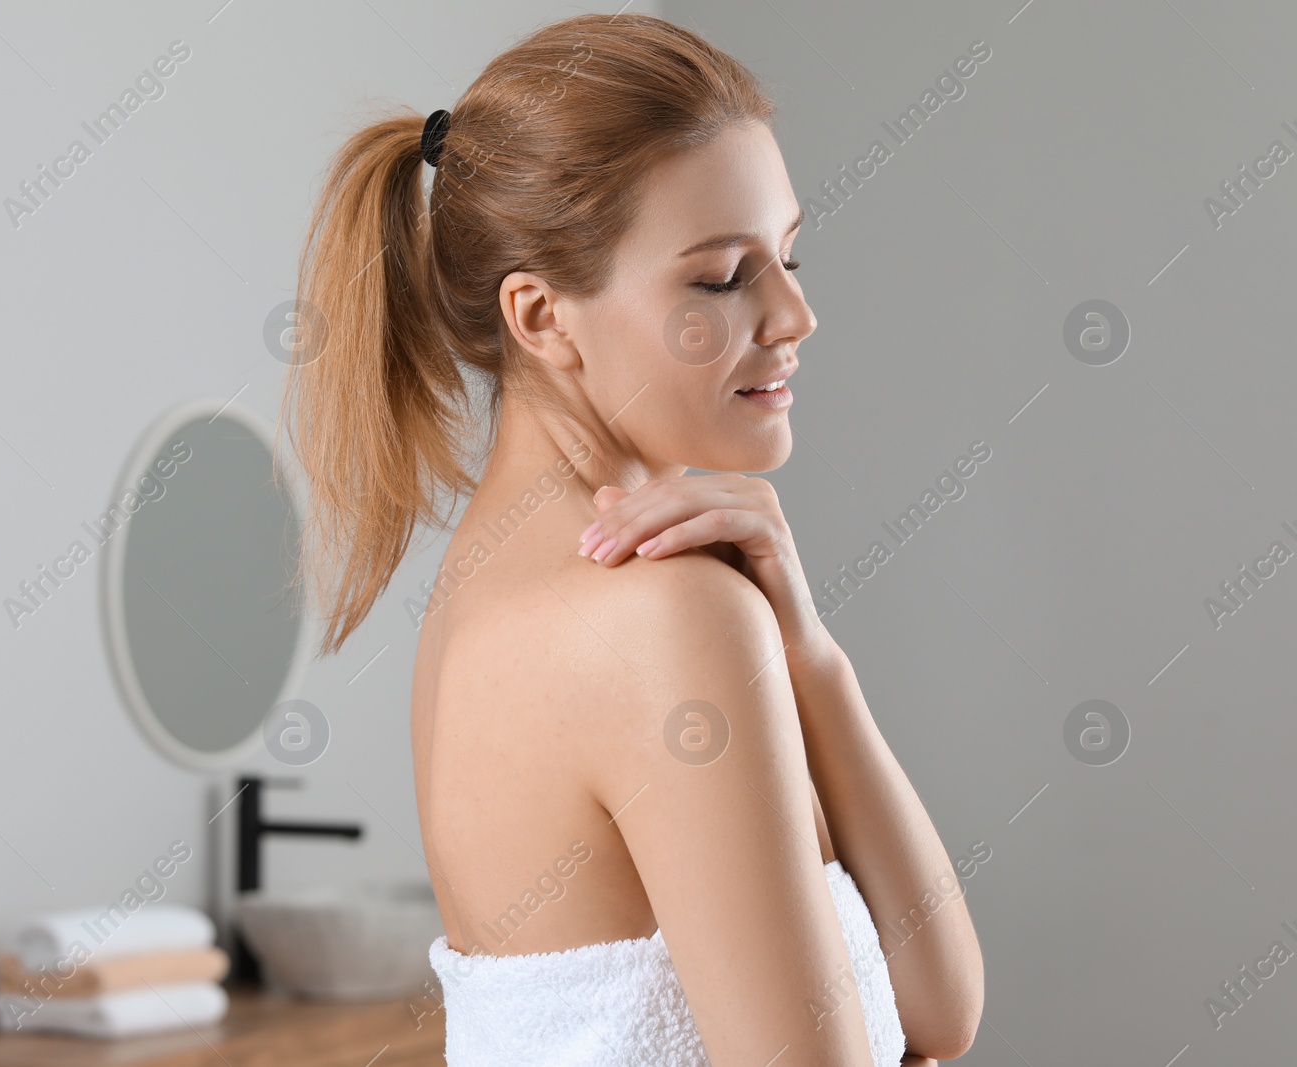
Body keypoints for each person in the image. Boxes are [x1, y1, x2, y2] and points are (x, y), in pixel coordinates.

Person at [278, 12, 983, 1065]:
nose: (793, 314)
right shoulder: (661, 615)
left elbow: (939, 1012)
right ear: (541, 316)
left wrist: (808, 653)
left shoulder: (488, 590)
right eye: (719, 276)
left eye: (788, 255)